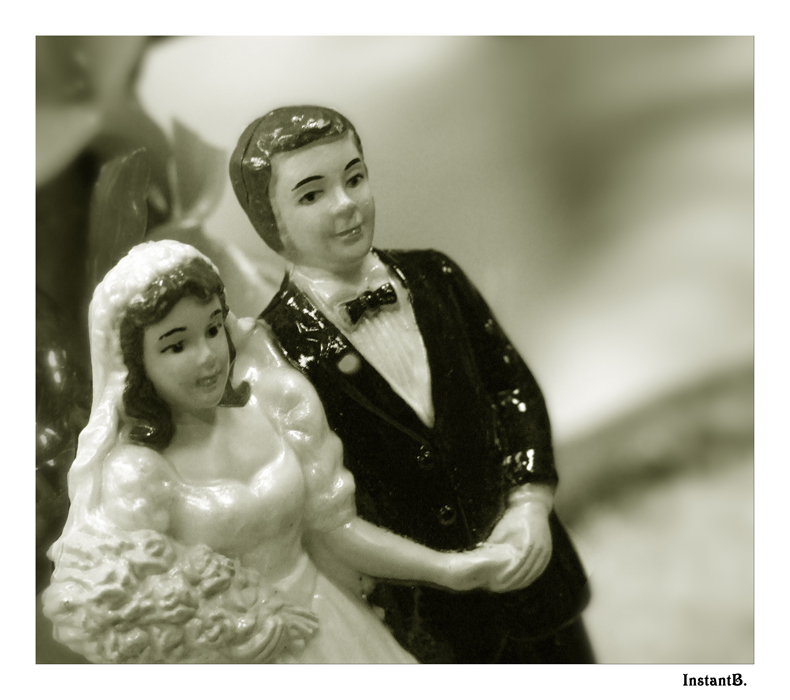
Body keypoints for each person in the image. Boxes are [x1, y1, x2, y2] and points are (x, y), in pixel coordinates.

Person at [229, 105, 594, 663]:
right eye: (312, 194)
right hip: (429, 619)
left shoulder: (435, 276)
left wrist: (528, 502)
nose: (346, 204)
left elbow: (510, 387)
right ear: (269, 222)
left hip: (530, 571)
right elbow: (324, 512)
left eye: (354, 178)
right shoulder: (277, 348)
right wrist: (441, 570)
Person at [43, 239, 517, 664]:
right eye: (176, 345)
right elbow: (129, 613)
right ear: (136, 364)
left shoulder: (276, 403)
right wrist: (236, 632)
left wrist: (446, 569)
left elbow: (335, 532)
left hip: (333, 625)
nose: (207, 357)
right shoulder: (137, 474)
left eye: (213, 329)